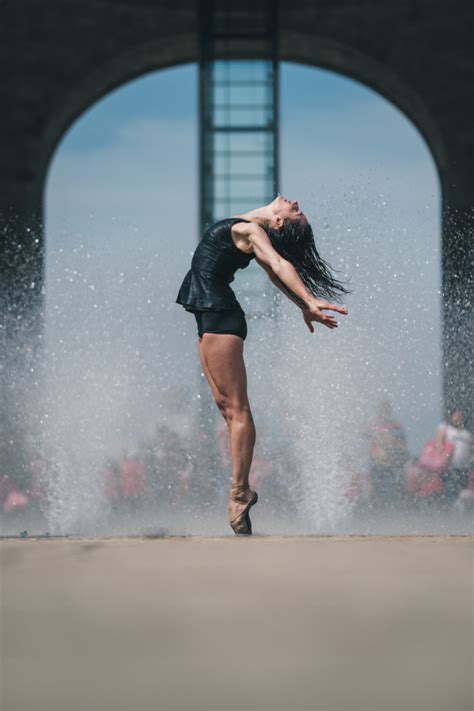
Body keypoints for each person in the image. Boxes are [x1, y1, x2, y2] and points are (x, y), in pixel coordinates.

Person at [176, 194, 349, 534]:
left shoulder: (248, 230)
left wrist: (310, 299)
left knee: (238, 411)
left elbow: (281, 265)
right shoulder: (250, 230)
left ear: (280, 222)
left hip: (220, 318)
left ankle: (240, 493)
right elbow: (273, 273)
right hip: (212, 318)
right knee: (228, 411)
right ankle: (241, 492)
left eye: (296, 211)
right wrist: (301, 304)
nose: (296, 202)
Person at [435, 409, 473, 506]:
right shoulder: (446, 429)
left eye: (460, 416)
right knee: (451, 489)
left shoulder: (467, 433)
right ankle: (452, 511)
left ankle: (459, 512)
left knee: (462, 490)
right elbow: (439, 443)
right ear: (451, 417)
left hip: (465, 467)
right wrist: (443, 457)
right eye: (456, 415)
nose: (458, 418)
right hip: (450, 466)